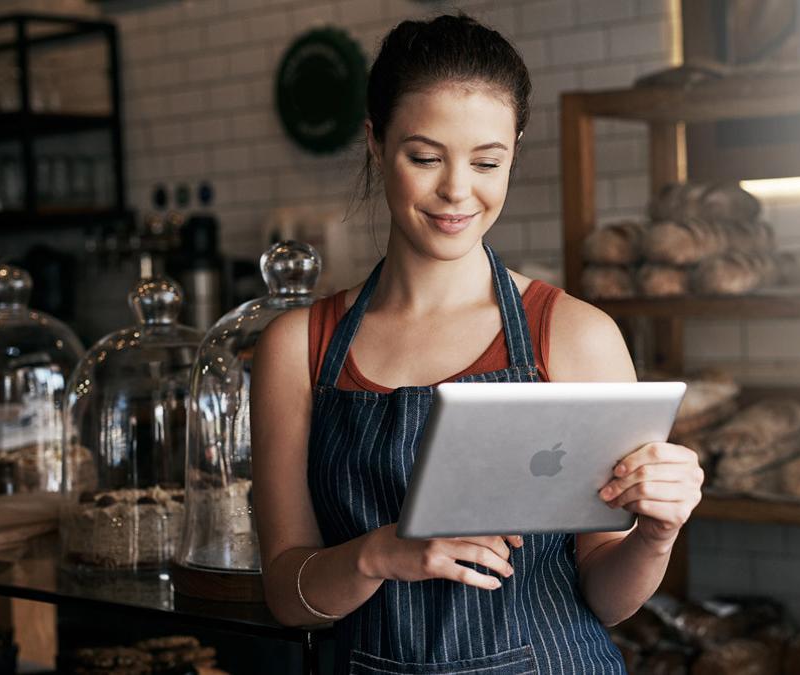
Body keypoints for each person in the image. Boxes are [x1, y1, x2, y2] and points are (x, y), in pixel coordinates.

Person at [251, 14, 704, 674]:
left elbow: (606, 597)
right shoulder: (299, 346)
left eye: (487, 161)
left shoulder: (576, 336)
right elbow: (286, 596)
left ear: (515, 149)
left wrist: (657, 532)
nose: (458, 191)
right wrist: (378, 553)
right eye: (426, 157)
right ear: (375, 143)